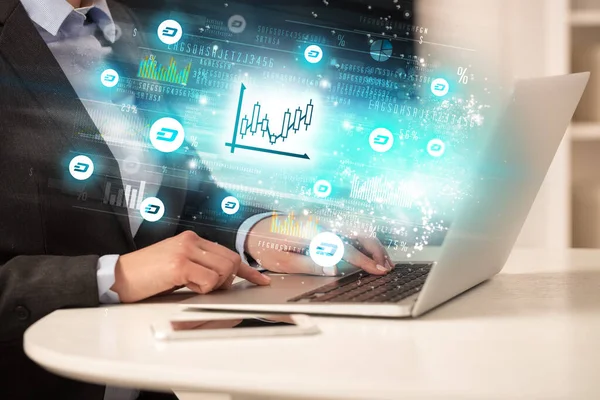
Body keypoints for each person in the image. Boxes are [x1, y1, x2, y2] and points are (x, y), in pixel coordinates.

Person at [0, 0, 394, 398]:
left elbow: (184, 193)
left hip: (144, 377)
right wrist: (113, 276)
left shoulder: (122, 24)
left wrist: (256, 231)